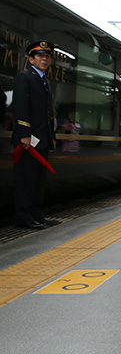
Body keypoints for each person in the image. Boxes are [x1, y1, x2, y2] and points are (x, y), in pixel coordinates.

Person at [12, 41, 58, 229]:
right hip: (28, 139)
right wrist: (24, 133)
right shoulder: (25, 77)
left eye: (47, 56)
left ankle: (37, 214)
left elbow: (48, 113)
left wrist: (51, 136)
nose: (44, 59)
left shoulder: (44, 80)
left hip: (42, 139)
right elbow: (20, 106)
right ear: (31, 59)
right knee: (26, 179)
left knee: (38, 179)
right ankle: (24, 217)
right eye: (40, 56)